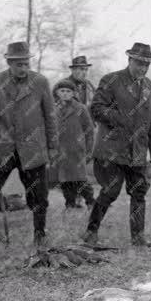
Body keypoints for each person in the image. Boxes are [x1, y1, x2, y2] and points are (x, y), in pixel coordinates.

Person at [82, 42, 151, 247]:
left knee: (139, 192)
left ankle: (138, 237)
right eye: (139, 63)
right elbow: (96, 108)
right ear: (129, 60)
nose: (143, 68)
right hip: (111, 149)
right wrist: (121, 118)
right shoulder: (111, 80)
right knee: (110, 191)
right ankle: (91, 232)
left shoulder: (150, 87)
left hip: (137, 150)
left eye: (146, 65)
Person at [0, 41, 58, 247]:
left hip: (33, 148)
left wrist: (52, 146)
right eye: (18, 64)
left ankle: (40, 233)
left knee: (39, 194)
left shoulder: (40, 82)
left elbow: (50, 116)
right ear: (8, 62)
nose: (23, 68)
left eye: (26, 64)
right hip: (2, 147)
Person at [53, 79, 94, 209]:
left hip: (77, 150)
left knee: (80, 178)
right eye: (62, 91)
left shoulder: (80, 108)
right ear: (57, 92)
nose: (65, 94)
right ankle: (69, 203)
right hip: (61, 150)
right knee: (65, 180)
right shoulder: (53, 109)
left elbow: (89, 130)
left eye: (68, 91)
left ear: (73, 93)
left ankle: (91, 201)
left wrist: (89, 150)